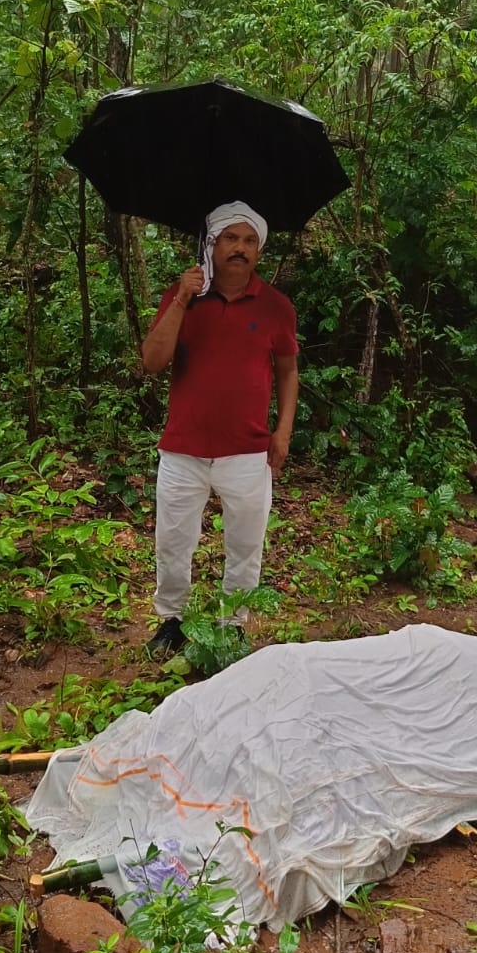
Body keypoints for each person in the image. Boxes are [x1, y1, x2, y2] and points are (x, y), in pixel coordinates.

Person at [140, 201, 298, 658]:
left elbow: (288, 371)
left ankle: (233, 625)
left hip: (247, 451)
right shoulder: (181, 295)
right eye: (231, 238)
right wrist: (184, 298)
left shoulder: (275, 306)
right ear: (212, 245)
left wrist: (283, 431)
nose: (240, 249)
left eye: (249, 241)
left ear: (259, 252)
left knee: (246, 545)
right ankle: (172, 620)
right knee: (172, 542)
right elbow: (152, 362)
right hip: (183, 448)